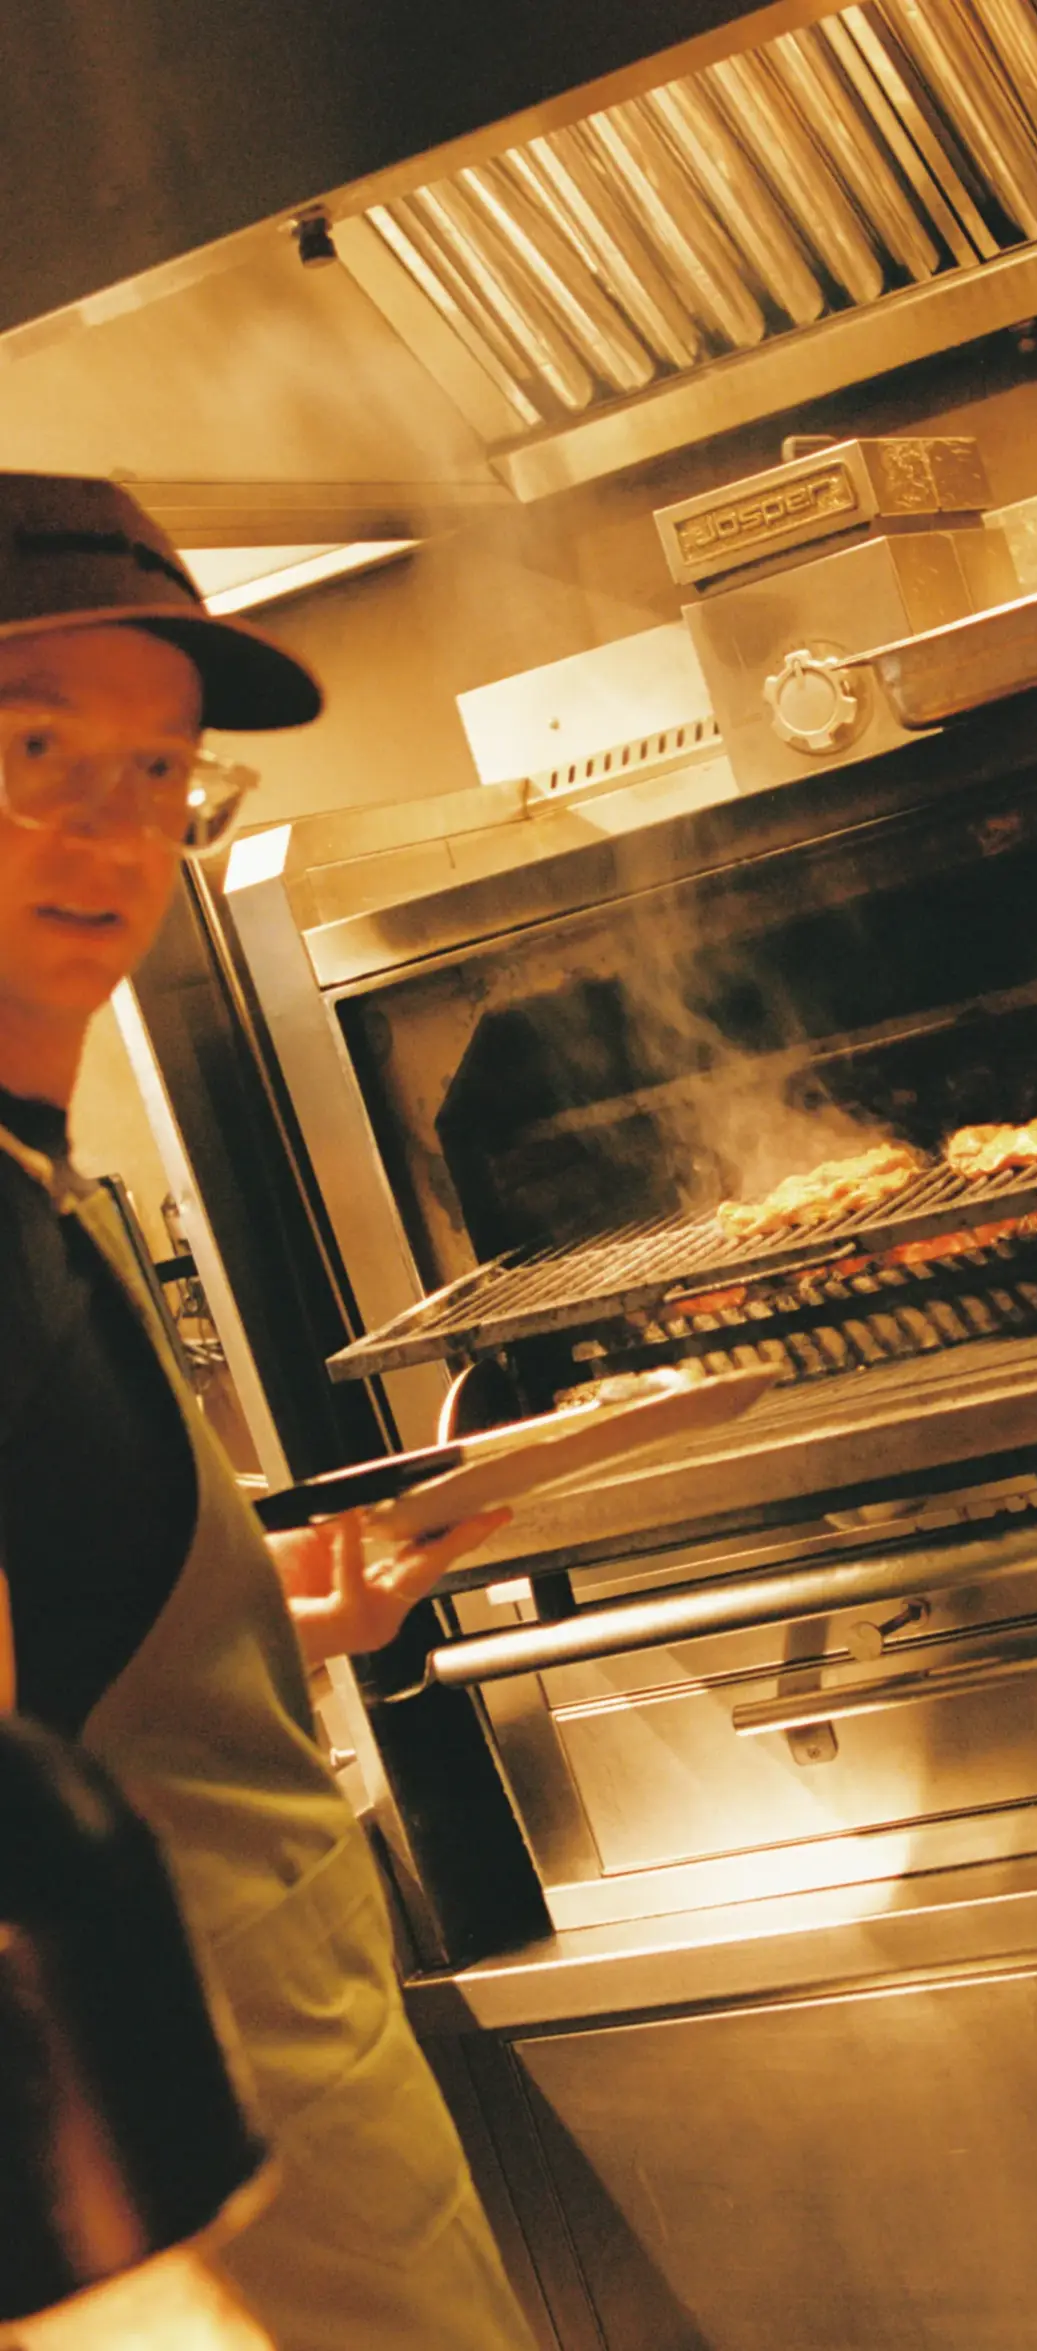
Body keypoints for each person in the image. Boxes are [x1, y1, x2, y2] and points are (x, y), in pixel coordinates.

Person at [0, 473, 540, 2350]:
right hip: (184, 2199)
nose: (109, 829)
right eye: (37, 745)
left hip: (293, 2101)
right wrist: (118, 2305)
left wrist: (263, 1616)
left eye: (162, 773)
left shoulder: (36, 1180)